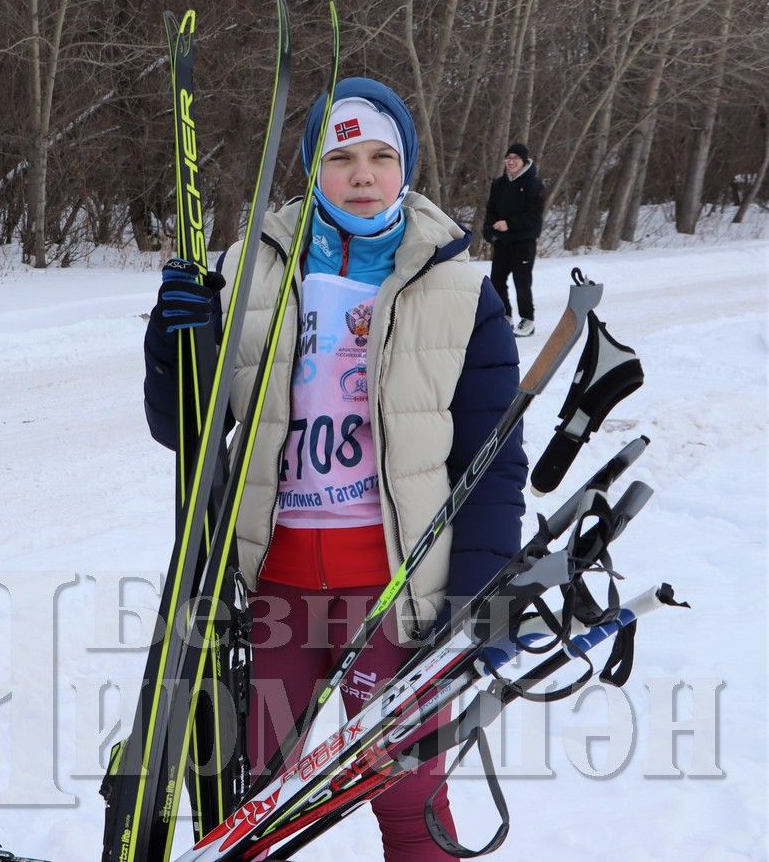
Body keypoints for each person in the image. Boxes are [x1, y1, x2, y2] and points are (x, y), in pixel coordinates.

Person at [143, 78, 526, 861]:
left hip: (392, 591)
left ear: (406, 166)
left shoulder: (462, 292)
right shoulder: (246, 271)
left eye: (381, 156)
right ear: (311, 169)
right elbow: (182, 428)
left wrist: (479, 604)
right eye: (340, 155)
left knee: (406, 791)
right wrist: (169, 340)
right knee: (246, 802)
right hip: (273, 588)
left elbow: (492, 464)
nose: (361, 174)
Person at [483, 142, 545, 337]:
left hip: (524, 242)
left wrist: (509, 224)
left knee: (522, 281)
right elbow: (491, 211)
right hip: (503, 242)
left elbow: (534, 216)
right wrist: (489, 231)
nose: (510, 162)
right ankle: (505, 316)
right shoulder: (499, 184)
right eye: (508, 158)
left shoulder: (534, 184)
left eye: (515, 159)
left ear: (524, 161)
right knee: (496, 281)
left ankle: (527, 320)